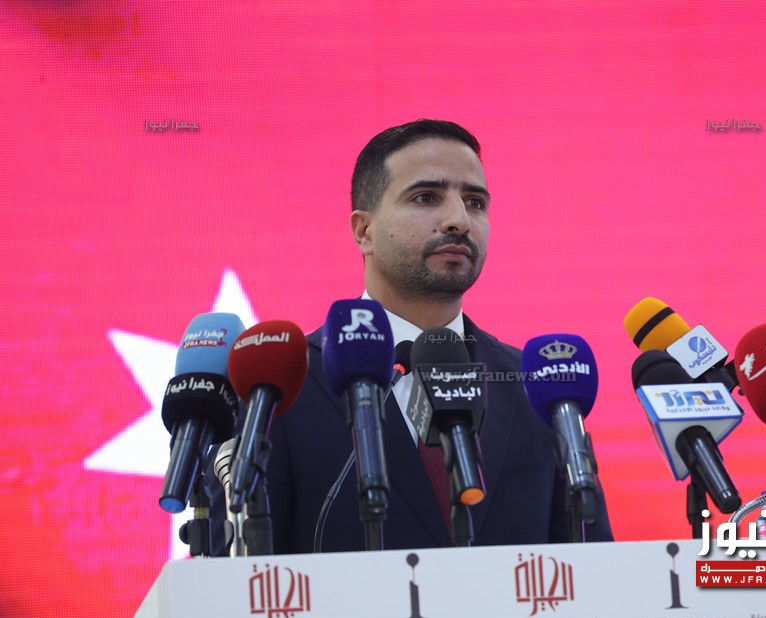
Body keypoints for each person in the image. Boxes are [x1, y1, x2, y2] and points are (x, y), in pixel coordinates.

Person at [214, 119, 613, 554]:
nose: (459, 221)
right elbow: (237, 576)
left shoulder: (536, 386)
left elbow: (592, 565)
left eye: (475, 202)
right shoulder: (280, 385)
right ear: (363, 231)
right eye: (426, 197)